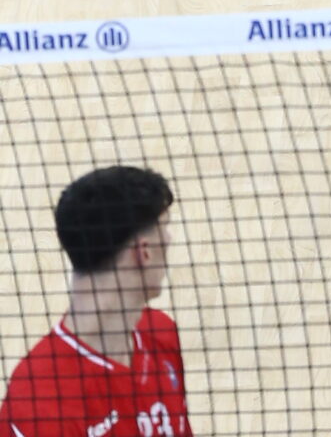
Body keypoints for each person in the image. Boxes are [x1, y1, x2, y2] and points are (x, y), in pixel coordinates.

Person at [3, 166, 191, 437]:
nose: (170, 240)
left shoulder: (160, 333)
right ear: (144, 252)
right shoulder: (40, 400)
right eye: (164, 229)